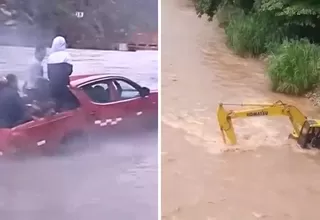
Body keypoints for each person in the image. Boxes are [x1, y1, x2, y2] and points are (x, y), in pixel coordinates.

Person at [47, 36, 77, 111]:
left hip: (52, 88)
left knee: (55, 106)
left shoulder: (50, 57)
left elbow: (49, 74)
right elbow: (69, 71)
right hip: (64, 87)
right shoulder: (66, 55)